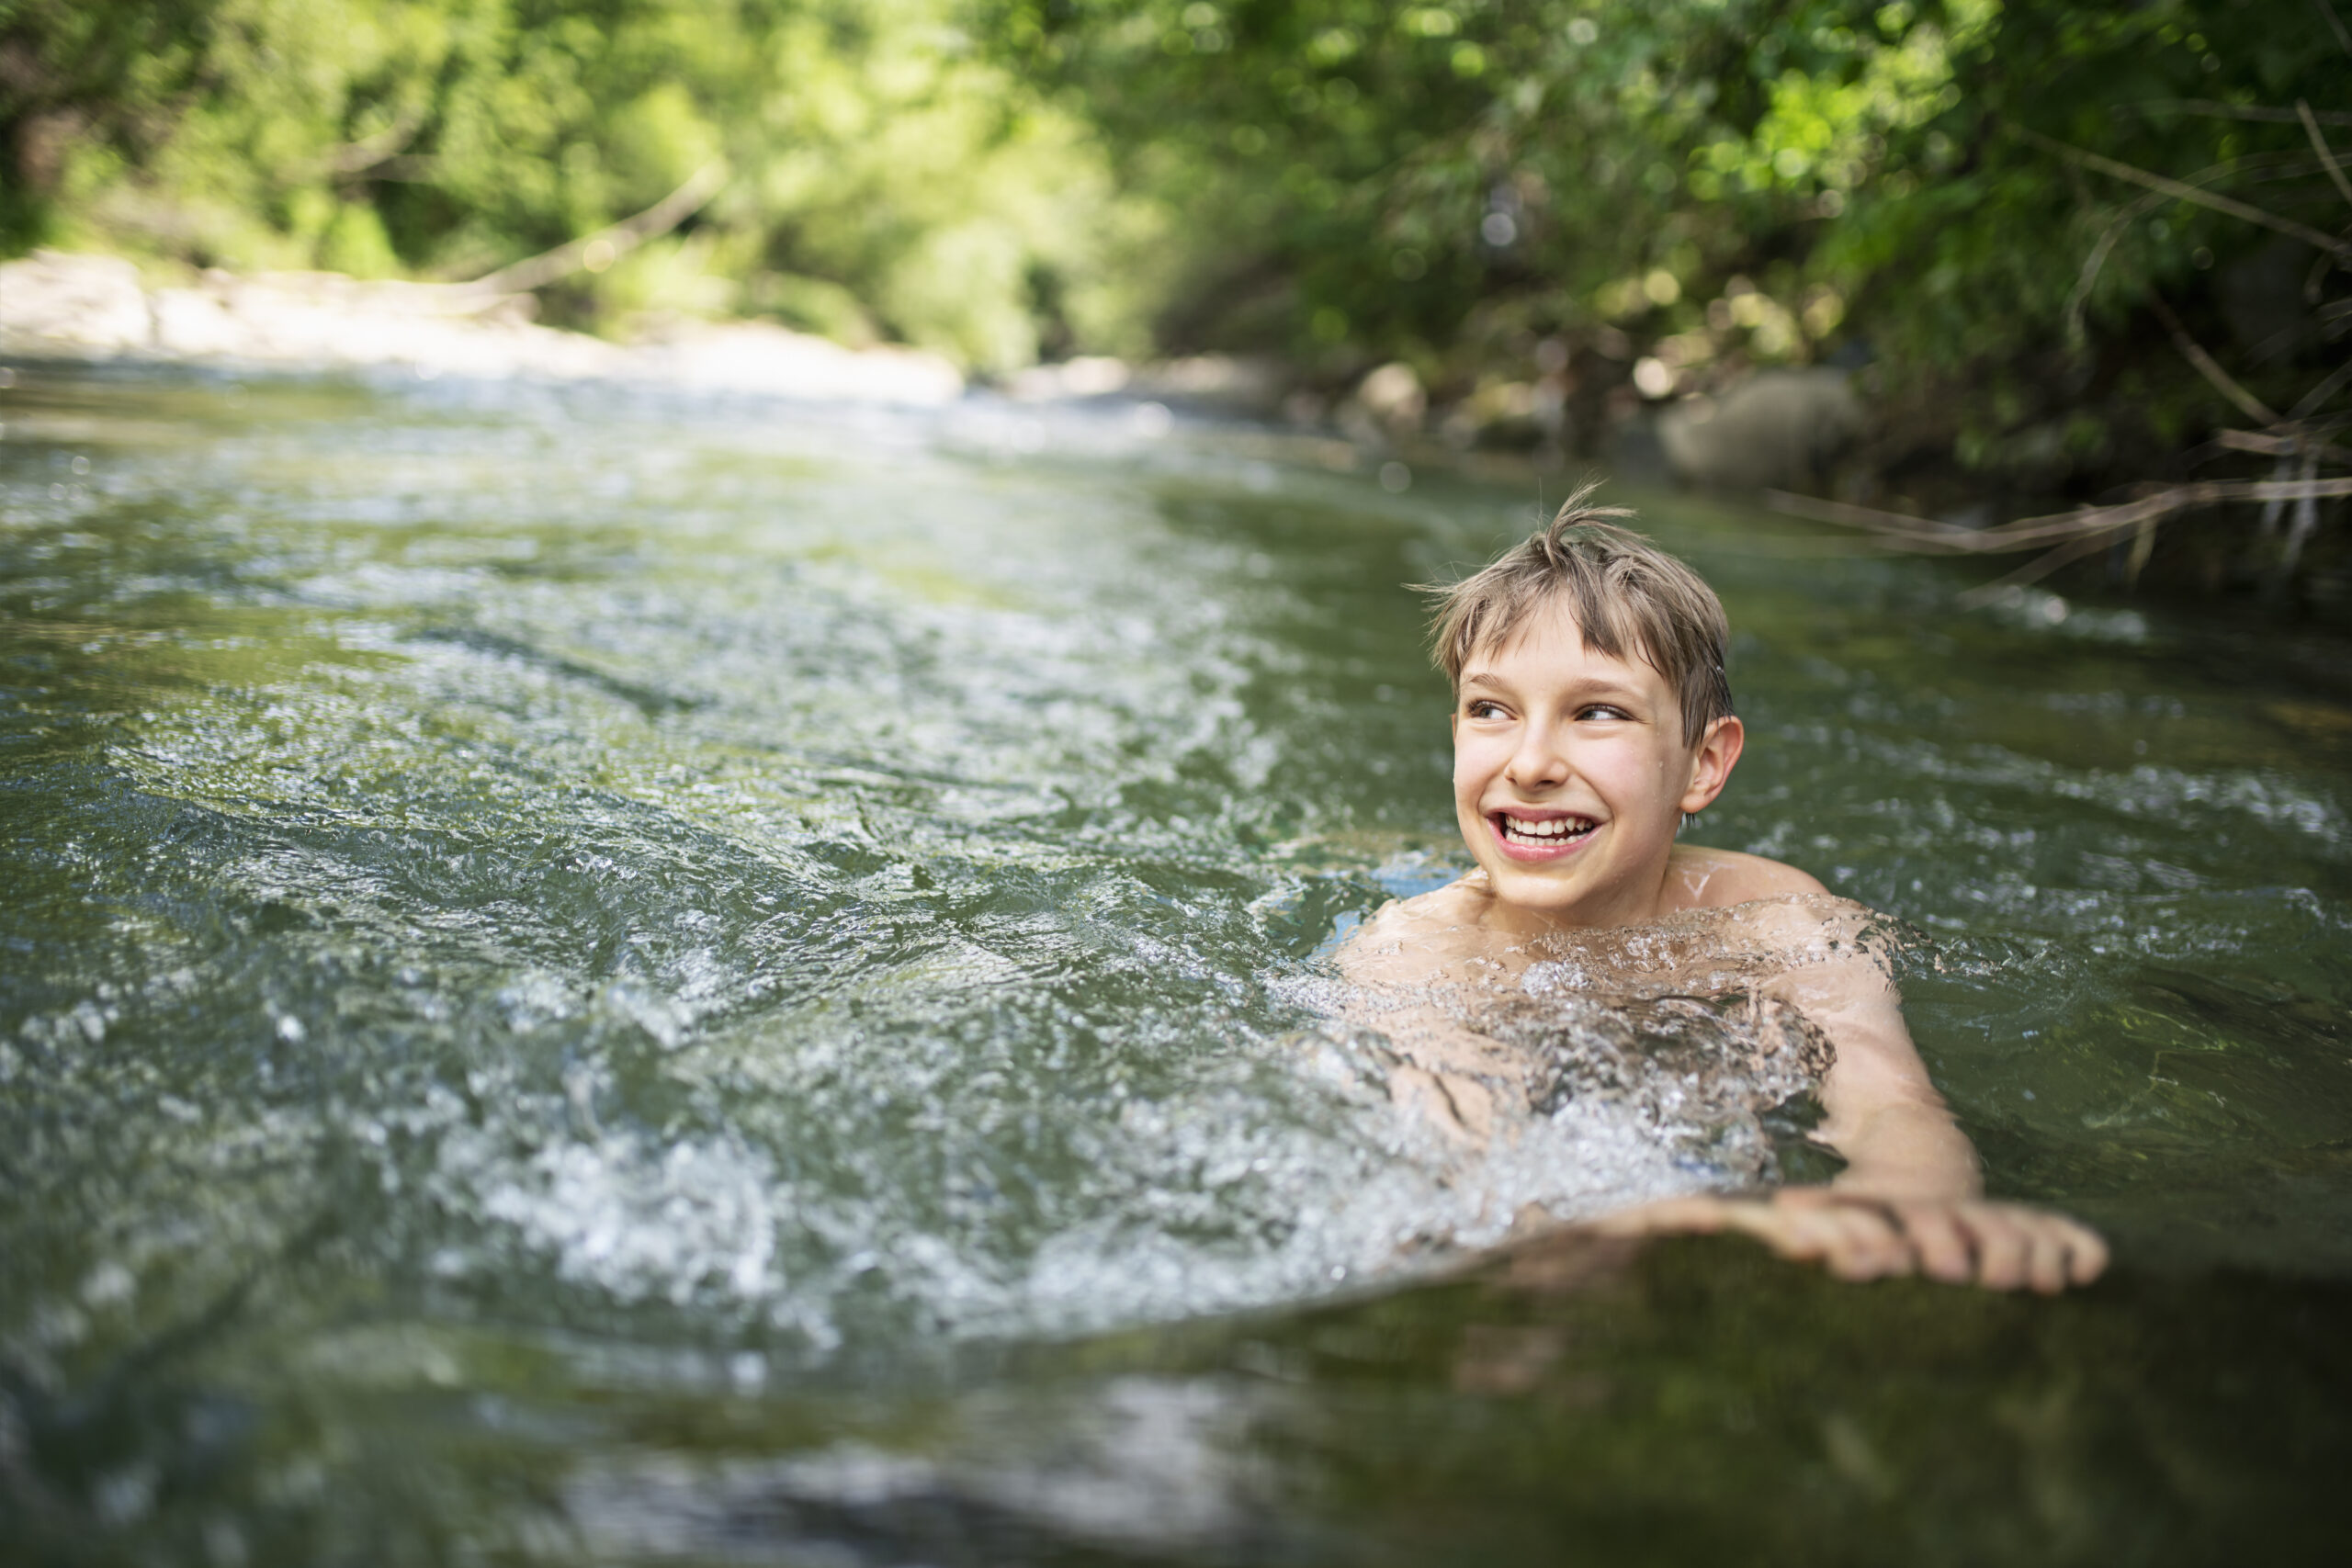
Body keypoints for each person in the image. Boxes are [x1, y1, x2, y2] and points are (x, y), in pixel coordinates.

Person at [1335, 490, 2107, 1292]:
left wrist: (1899, 1217)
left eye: (1596, 712)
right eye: (1490, 709)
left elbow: (1892, 1107)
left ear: (1703, 763)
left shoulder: (1774, 921)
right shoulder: (1414, 953)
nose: (1529, 763)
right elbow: (1476, 1168)